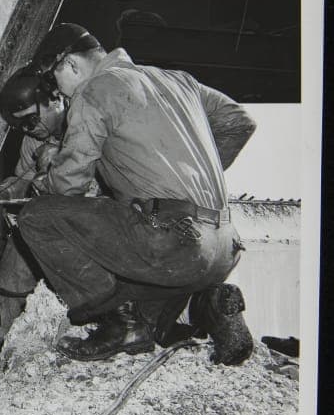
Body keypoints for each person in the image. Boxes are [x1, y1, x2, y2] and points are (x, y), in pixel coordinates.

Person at [17, 23, 257, 365]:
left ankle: (120, 325)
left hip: (174, 243)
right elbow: (239, 120)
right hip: (224, 246)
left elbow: (67, 187)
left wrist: (43, 179)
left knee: (38, 217)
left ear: (70, 65)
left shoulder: (94, 89)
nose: (61, 94)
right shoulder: (176, 79)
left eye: (55, 82)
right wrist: (180, 175)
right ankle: (209, 306)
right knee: (151, 324)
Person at [0, 66, 77, 365]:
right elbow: (25, 190)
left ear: (56, 100)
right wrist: (7, 191)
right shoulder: (33, 141)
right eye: (21, 126)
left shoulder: (87, 119)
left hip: (90, 220)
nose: (29, 129)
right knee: (16, 256)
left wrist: (56, 162)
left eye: (33, 119)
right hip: (50, 220)